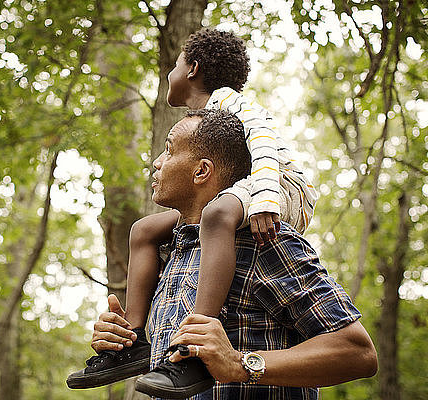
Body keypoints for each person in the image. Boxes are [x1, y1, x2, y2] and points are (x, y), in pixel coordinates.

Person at [67, 27, 318, 390]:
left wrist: (265, 197)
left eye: (175, 64)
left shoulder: (230, 102)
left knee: (216, 216)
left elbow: (263, 142)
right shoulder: (202, 122)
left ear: (192, 69)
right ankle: (135, 339)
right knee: (143, 230)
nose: (170, 72)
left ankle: (195, 343)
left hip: (279, 186)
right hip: (242, 189)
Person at [89, 109, 377, 399]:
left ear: (201, 171)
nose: (157, 162)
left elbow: (358, 351)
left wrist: (241, 364)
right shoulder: (171, 253)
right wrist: (120, 336)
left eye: (168, 150)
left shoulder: (263, 241)